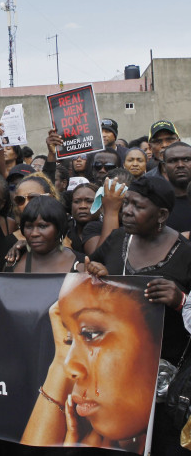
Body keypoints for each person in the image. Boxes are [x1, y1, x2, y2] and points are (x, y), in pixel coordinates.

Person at [86, 176, 191, 455]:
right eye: (127, 203)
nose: (128, 211)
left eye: (138, 206)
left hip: (163, 388)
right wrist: (94, 273)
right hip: (112, 379)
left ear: (162, 215)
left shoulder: (186, 255)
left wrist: (180, 300)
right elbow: (88, 270)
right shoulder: (119, 238)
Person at [22, 274, 162, 454]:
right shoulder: (88, 437)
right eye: (70, 338)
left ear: (157, 338)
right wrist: (59, 357)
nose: (69, 367)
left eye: (91, 334)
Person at [4, 196, 83, 273]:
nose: (34, 234)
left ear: (59, 227)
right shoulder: (13, 262)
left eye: (42, 226)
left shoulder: (81, 266)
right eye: (29, 226)